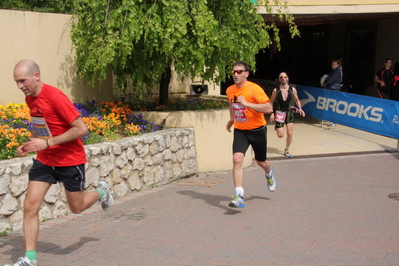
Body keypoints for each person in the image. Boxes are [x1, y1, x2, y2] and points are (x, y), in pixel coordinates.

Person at [7, 59, 114, 266]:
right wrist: (29, 144)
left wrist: (47, 143)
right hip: (45, 161)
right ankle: (30, 259)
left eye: (22, 81)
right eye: (16, 82)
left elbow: (81, 129)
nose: (20, 86)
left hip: (69, 161)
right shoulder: (31, 99)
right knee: (30, 205)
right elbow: (43, 127)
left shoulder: (55, 96)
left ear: (36, 76)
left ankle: (102, 192)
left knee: (76, 207)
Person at [225, 61, 276, 208]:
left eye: (239, 71)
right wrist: (232, 119)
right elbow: (232, 104)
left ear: (246, 74)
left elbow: (268, 107)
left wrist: (247, 104)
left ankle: (269, 174)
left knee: (261, 162)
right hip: (241, 130)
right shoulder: (230, 90)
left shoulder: (254, 89)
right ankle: (239, 195)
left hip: (257, 130)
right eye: (234, 71)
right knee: (237, 159)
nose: (236, 74)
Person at [269, 72, 305, 158]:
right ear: (279, 79)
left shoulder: (292, 89)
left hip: (289, 112)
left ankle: (287, 149)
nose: (283, 78)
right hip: (279, 113)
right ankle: (278, 127)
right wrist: (271, 113)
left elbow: (297, 100)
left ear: (287, 78)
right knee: (280, 135)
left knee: (289, 132)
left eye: (285, 77)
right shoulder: (276, 90)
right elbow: (271, 102)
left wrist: (300, 109)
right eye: (281, 77)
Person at [324, 59, 342, 127]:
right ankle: (332, 120)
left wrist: (327, 79)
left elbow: (329, 81)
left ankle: (334, 121)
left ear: (338, 65)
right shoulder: (333, 71)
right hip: (331, 89)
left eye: (334, 64)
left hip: (334, 90)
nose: (333, 65)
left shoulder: (336, 72)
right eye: (332, 64)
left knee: (333, 106)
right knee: (331, 106)